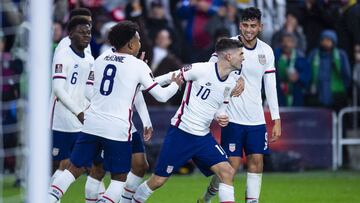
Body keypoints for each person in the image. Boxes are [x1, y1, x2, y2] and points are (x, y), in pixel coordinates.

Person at [49, 20, 183, 203]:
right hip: (117, 129)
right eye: (138, 40)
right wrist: (175, 84)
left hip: (91, 124)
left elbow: (89, 91)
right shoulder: (138, 65)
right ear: (130, 44)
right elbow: (161, 96)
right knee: (119, 179)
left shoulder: (101, 58)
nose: (140, 44)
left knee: (73, 169)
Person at [131, 38, 245, 203]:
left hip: (203, 137)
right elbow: (171, 76)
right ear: (228, 56)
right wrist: (144, 85)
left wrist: (221, 116)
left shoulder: (231, 82)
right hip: (181, 133)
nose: (243, 58)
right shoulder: (200, 69)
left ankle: (205, 200)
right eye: (241, 54)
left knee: (227, 172)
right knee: (158, 181)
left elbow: (220, 108)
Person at [198, 7, 281, 203]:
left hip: (256, 119)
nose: (249, 30)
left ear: (260, 27)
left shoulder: (266, 51)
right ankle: (208, 197)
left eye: (253, 26)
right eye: (245, 25)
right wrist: (234, 77)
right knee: (230, 167)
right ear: (239, 25)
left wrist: (276, 119)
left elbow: (270, 86)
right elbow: (210, 71)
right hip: (232, 117)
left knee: (256, 162)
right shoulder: (229, 47)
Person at [49, 15, 93, 198]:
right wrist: (79, 111)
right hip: (59, 120)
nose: (86, 35)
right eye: (82, 32)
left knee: (82, 164)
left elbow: (89, 91)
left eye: (89, 32)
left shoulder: (90, 60)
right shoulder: (62, 54)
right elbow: (58, 89)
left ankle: (50, 198)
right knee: (54, 165)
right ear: (71, 34)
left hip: (80, 121)